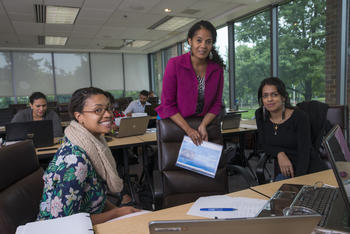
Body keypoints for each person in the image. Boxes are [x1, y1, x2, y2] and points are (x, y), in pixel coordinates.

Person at [37, 87, 139, 224]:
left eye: (108, 108)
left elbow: (95, 196)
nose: (108, 114)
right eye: (98, 110)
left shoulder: (93, 146)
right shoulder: (74, 162)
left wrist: (120, 213)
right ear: (79, 117)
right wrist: (117, 213)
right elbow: (62, 223)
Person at [155, 20, 225, 145]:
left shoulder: (217, 69)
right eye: (199, 40)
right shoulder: (175, 64)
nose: (203, 46)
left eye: (208, 42)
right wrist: (188, 129)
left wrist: (203, 125)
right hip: (176, 125)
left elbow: (216, 103)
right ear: (189, 41)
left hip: (203, 125)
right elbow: (168, 104)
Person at [255, 77, 326, 181]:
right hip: (286, 173)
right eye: (265, 96)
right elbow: (264, 144)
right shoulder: (261, 115)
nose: (269, 99)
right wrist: (280, 153)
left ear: (283, 97)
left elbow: (304, 153)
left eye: (274, 95)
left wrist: (297, 182)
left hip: (308, 170)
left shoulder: (300, 117)